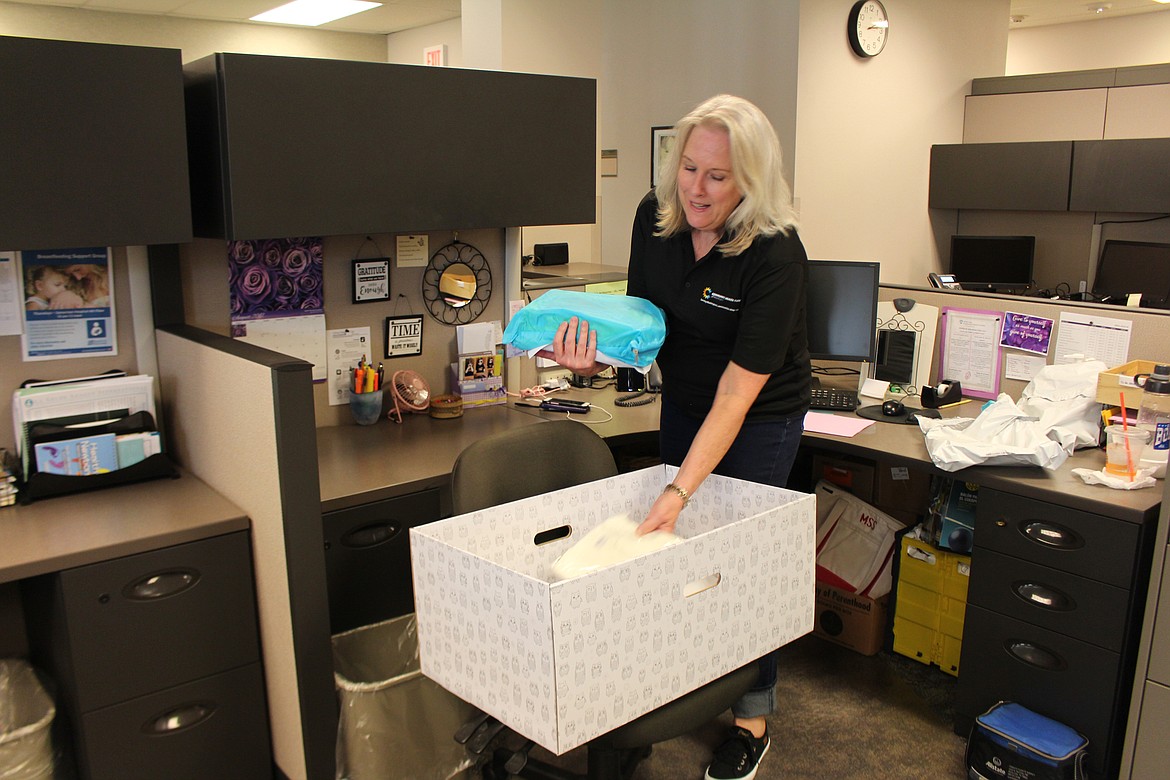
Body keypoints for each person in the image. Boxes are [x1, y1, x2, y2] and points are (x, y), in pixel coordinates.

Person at [542, 94, 811, 780]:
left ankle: (750, 719)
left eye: (717, 177)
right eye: (689, 168)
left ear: (750, 179)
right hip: (686, 401)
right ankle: (684, 681)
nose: (697, 189)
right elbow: (642, 328)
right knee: (679, 549)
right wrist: (593, 360)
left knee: (739, 560)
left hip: (760, 416)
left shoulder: (776, 253)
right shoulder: (654, 217)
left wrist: (682, 488)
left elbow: (738, 393)